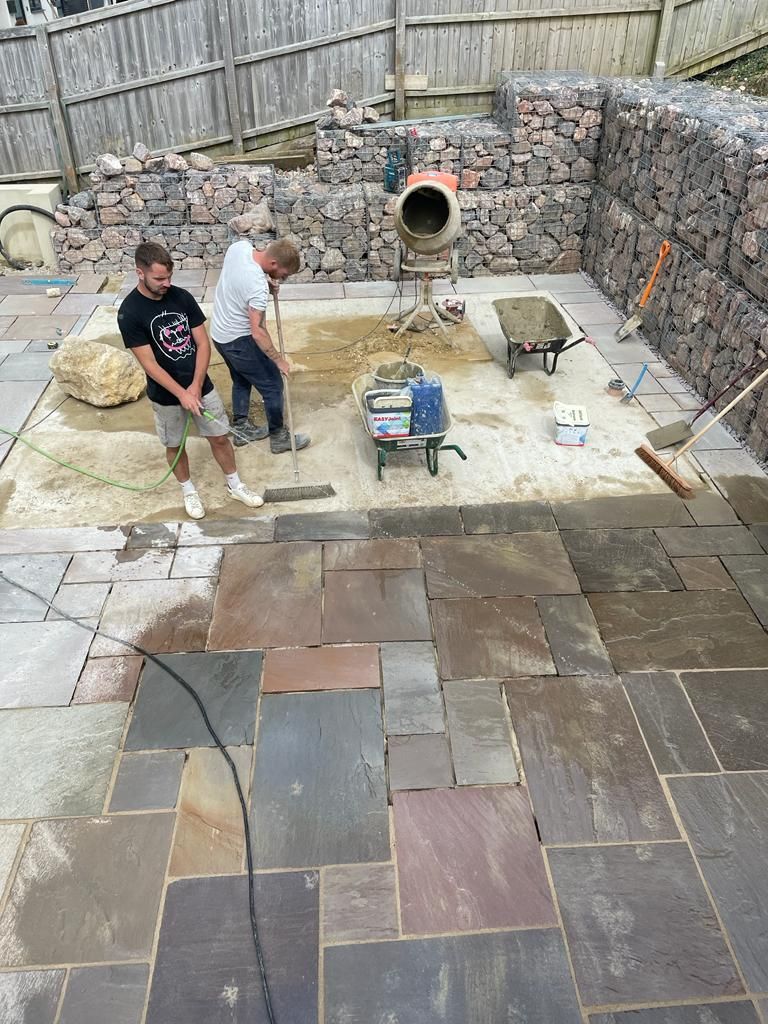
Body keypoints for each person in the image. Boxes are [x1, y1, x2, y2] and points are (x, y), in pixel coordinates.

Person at [117, 242, 264, 521]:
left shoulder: (181, 297)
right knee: (175, 445)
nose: (166, 283)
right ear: (140, 273)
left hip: (199, 384)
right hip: (165, 394)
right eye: (159, 279)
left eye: (169, 277)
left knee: (219, 437)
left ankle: (235, 485)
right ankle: (188, 491)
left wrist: (196, 386)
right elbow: (148, 363)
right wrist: (181, 394)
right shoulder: (130, 312)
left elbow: (202, 343)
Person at [211, 238, 310, 453]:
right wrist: (278, 360)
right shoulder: (256, 286)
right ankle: (279, 437)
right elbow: (257, 332)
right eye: (284, 274)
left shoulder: (239, 248)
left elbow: (239, 279)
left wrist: (267, 283)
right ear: (273, 263)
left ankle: (241, 427)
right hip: (239, 340)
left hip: (219, 334)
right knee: (273, 385)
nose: (283, 278)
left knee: (241, 378)